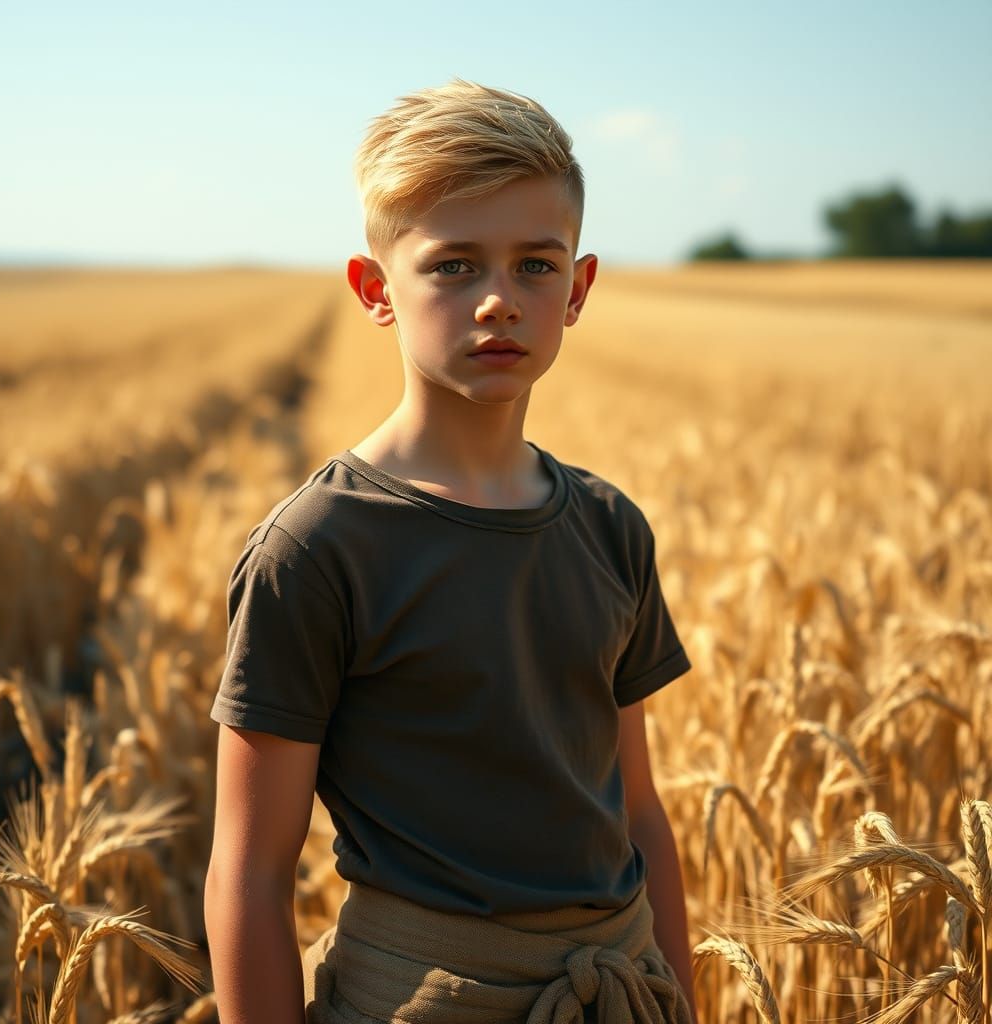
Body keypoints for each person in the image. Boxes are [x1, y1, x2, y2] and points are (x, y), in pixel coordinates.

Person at [204, 77, 699, 1024]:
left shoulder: (609, 526)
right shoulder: (316, 551)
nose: (499, 301)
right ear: (375, 290)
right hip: (425, 1000)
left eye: (536, 267)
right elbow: (248, 873)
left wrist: (682, 997)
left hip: (621, 993)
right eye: (454, 266)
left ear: (580, 288)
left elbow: (639, 814)